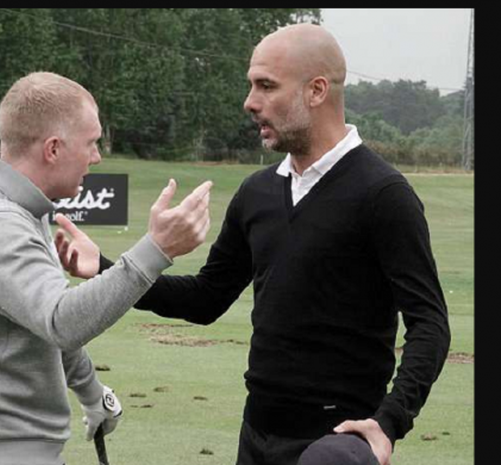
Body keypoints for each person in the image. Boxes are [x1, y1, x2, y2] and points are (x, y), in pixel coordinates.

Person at [55, 24, 450, 465]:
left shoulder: (382, 194)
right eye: (251, 86)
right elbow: (207, 299)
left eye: (266, 86)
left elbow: (430, 323)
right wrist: (108, 267)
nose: (250, 102)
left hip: (335, 446)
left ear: (316, 90)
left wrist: (389, 423)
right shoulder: (256, 192)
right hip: (256, 437)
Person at [0, 71, 212, 465]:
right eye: (90, 143)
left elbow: (44, 328)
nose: (97, 156)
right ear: (53, 149)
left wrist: (92, 394)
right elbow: (62, 322)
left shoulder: (21, 210)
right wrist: (156, 250)